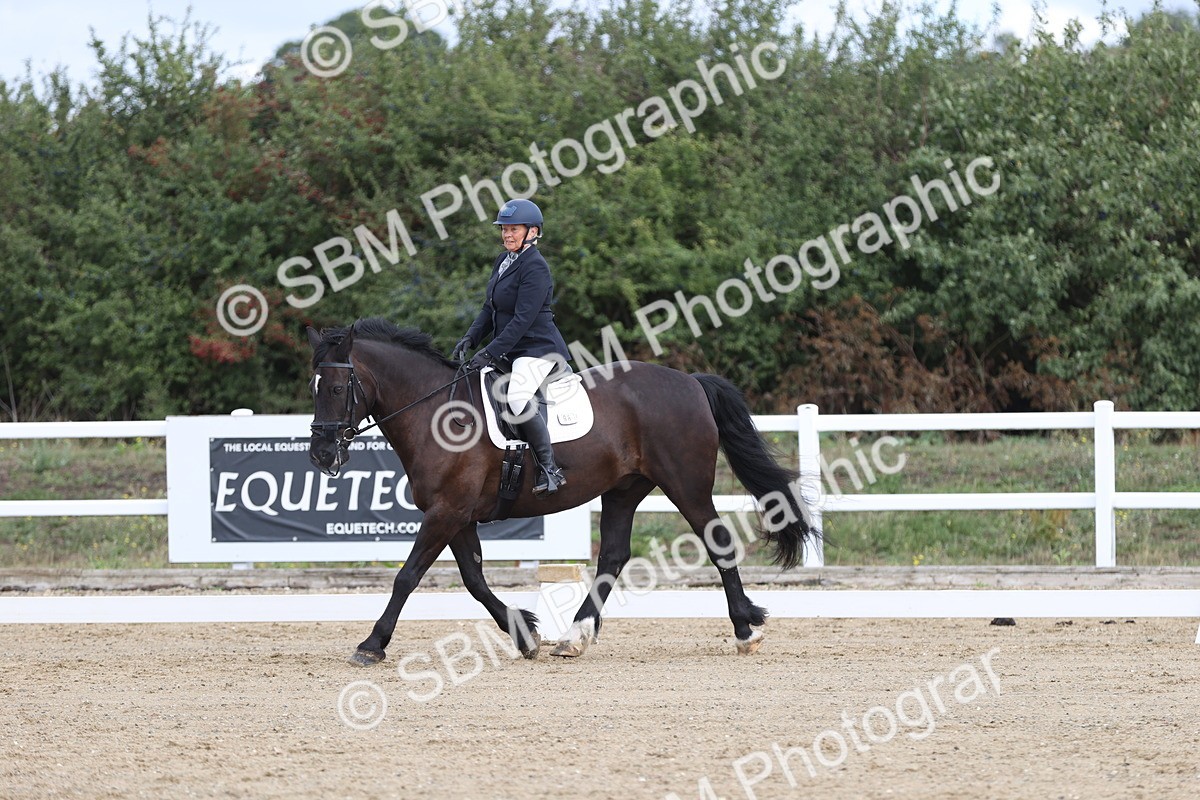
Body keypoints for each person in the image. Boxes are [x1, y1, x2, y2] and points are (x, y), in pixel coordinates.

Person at [451, 198, 571, 496]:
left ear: (532, 232)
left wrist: (489, 352)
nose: (507, 234)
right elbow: (489, 309)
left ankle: (549, 468)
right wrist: (470, 338)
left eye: (513, 229)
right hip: (510, 348)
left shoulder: (536, 267)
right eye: (504, 229)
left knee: (517, 396)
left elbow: (521, 320)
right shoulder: (504, 261)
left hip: (537, 349)